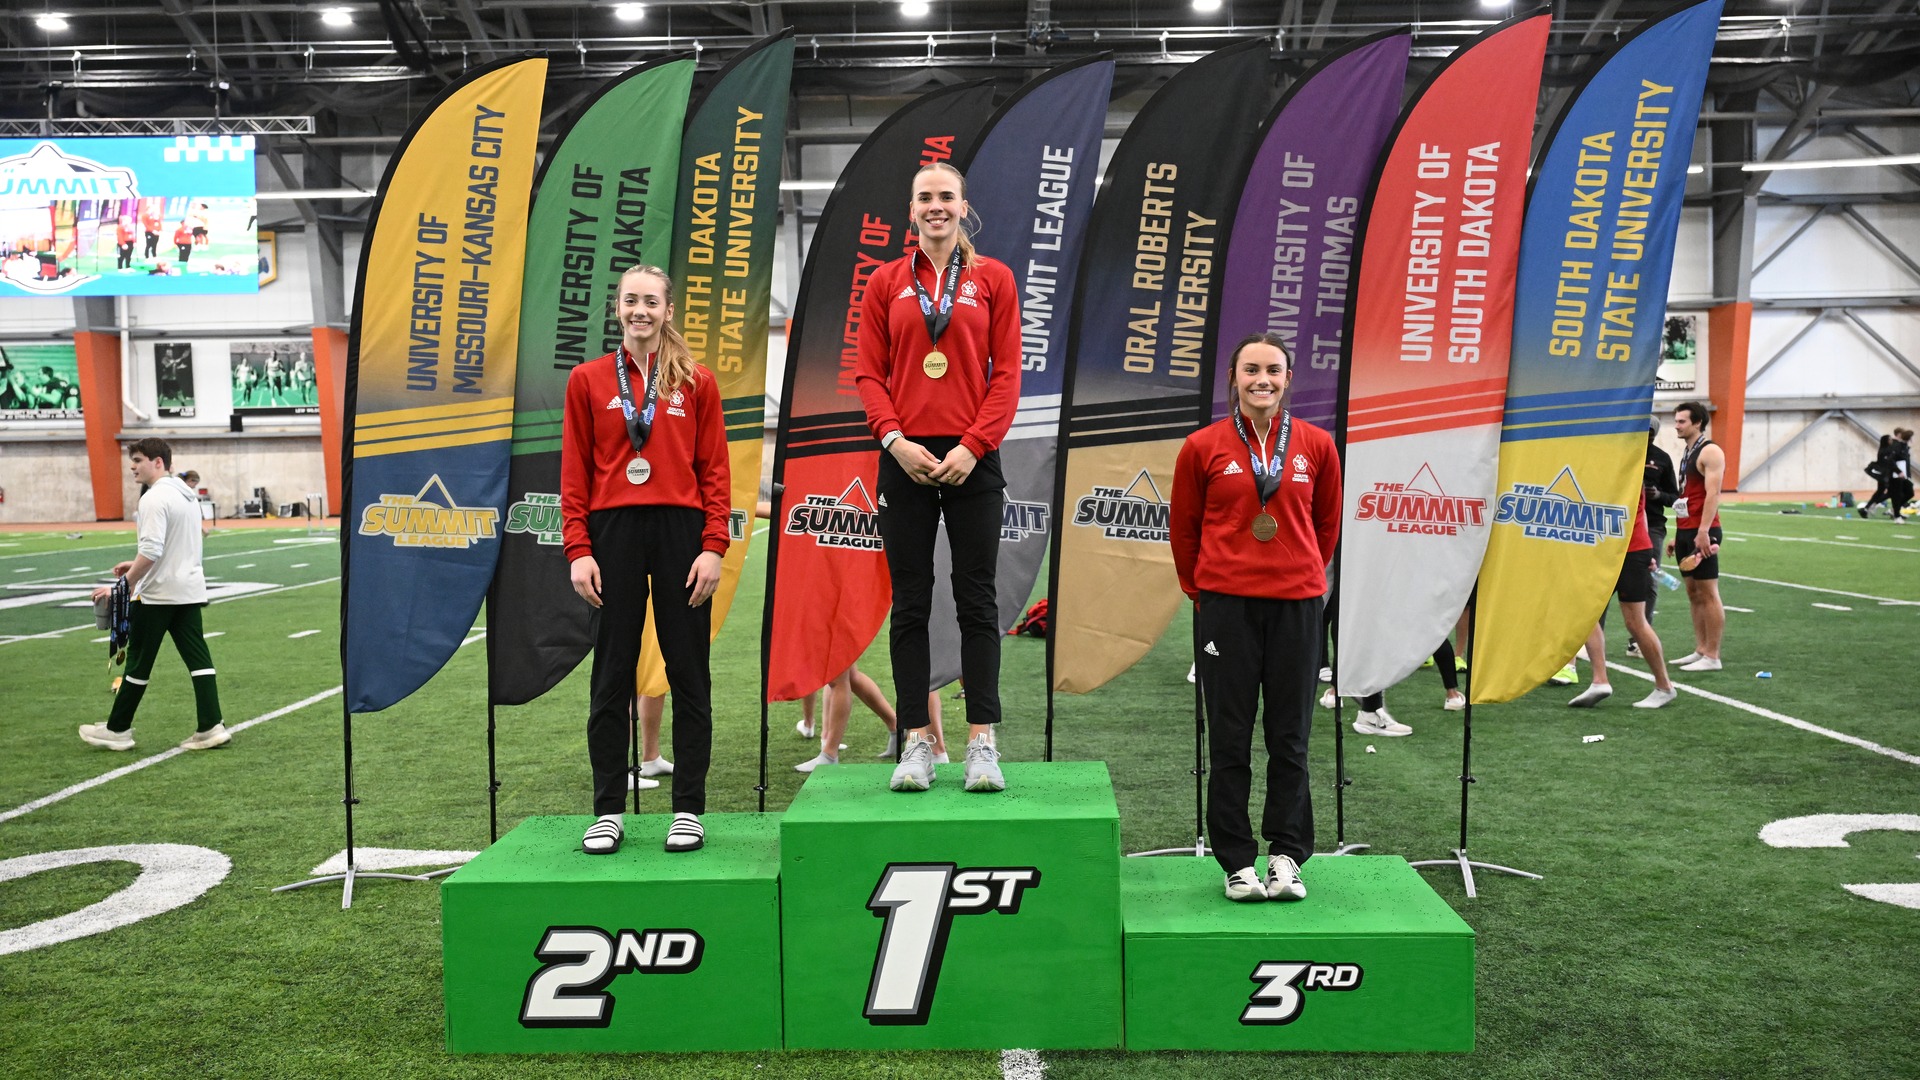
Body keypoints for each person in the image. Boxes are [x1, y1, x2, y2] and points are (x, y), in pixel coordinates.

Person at [854, 160, 1021, 794]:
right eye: (925, 197)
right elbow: (869, 374)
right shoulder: (885, 282)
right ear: (912, 209)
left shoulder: (993, 280)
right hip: (904, 460)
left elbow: (1006, 375)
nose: (936, 207)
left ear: (963, 206)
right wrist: (894, 441)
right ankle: (916, 743)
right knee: (911, 604)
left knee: (978, 600)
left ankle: (982, 741)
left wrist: (974, 447)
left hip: (972, 459)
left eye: (946, 196)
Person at [562, 263, 728, 855]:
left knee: (689, 671)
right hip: (613, 535)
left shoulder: (696, 381)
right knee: (611, 674)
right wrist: (579, 550)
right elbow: (575, 472)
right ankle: (608, 810)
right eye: (631, 300)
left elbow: (714, 471)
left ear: (667, 310)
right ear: (618, 309)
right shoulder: (586, 380)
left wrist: (713, 546)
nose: (640, 310)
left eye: (650, 301)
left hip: (682, 532)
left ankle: (688, 809)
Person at [1172, 332, 1342, 903]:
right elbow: (1185, 529)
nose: (1262, 379)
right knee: (1230, 738)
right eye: (1251, 370)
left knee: (1290, 738)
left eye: (1273, 370)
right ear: (1234, 377)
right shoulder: (1202, 447)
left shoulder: (1316, 445)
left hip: (1296, 607)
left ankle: (1288, 857)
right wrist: (1209, 590)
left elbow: (1326, 526)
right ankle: (1237, 863)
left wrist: (1299, 574)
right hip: (1226, 608)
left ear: (1288, 379)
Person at [79, 439, 228, 752]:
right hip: (188, 590)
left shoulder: (153, 498)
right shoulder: (187, 496)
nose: (132, 466)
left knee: (138, 663)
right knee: (199, 659)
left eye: (138, 460)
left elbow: (152, 550)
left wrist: (123, 584)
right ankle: (211, 724)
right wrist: (134, 564)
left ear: (157, 462)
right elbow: (175, 546)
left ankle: (117, 729)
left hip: (158, 595)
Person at [1567, 488, 1678, 709]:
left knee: (1634, 622)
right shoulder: (1619, 462)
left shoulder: (1622, 464)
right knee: (1587, 613)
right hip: (1611, 548)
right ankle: (1600, 680)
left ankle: (1664, 686)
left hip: (1625, 548)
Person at [1670, 401, 1725, 671]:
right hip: (1686, 529)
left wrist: (1703, 531)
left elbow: (1713, 494)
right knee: (1693, 592)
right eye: (1676, 421)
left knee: (1708, 592)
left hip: (1704, 530)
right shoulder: (1688, 452)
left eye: (1681, 421)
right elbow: (1687, 495)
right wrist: (1677, 532)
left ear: (1697, 423)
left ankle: (1713, 655)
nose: (1676, 425)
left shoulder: (1710, 451)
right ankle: (1701, 648)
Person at [1639, 418, 1679, 634]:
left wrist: (1658, 495)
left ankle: (1640, 636)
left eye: (1651, 433)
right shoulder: (1620, 453)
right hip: (1620, 525)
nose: (1647, 436)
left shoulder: (1661, 459)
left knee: (1651, 578)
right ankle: (1591, 641)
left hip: (1652, 524)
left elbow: (1675, 496)